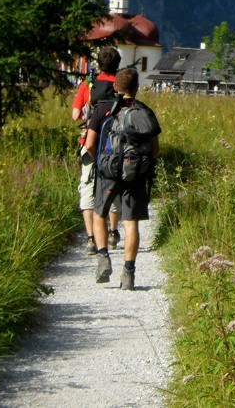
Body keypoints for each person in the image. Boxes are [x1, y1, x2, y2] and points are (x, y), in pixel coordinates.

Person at [84, 68, 162, 290]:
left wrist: (102, 161)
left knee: (100, 213)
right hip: (136, 174)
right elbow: (155, 151)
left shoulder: (103, 110)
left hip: (108, 172)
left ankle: (103, 258)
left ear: (115, 87)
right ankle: (128, 273)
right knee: (131, 223)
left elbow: (89, 145)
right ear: (137, 88)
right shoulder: (145, 111)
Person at [72, 47, 122, 254]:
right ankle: (112, 232)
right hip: (114, 145)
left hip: (90, 142)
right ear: (117, 64)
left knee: (88, 187)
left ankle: (91, 238)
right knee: (113, 185)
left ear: (99, 64)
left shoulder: (89, 84)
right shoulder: (121, 84)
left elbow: (75, 115)